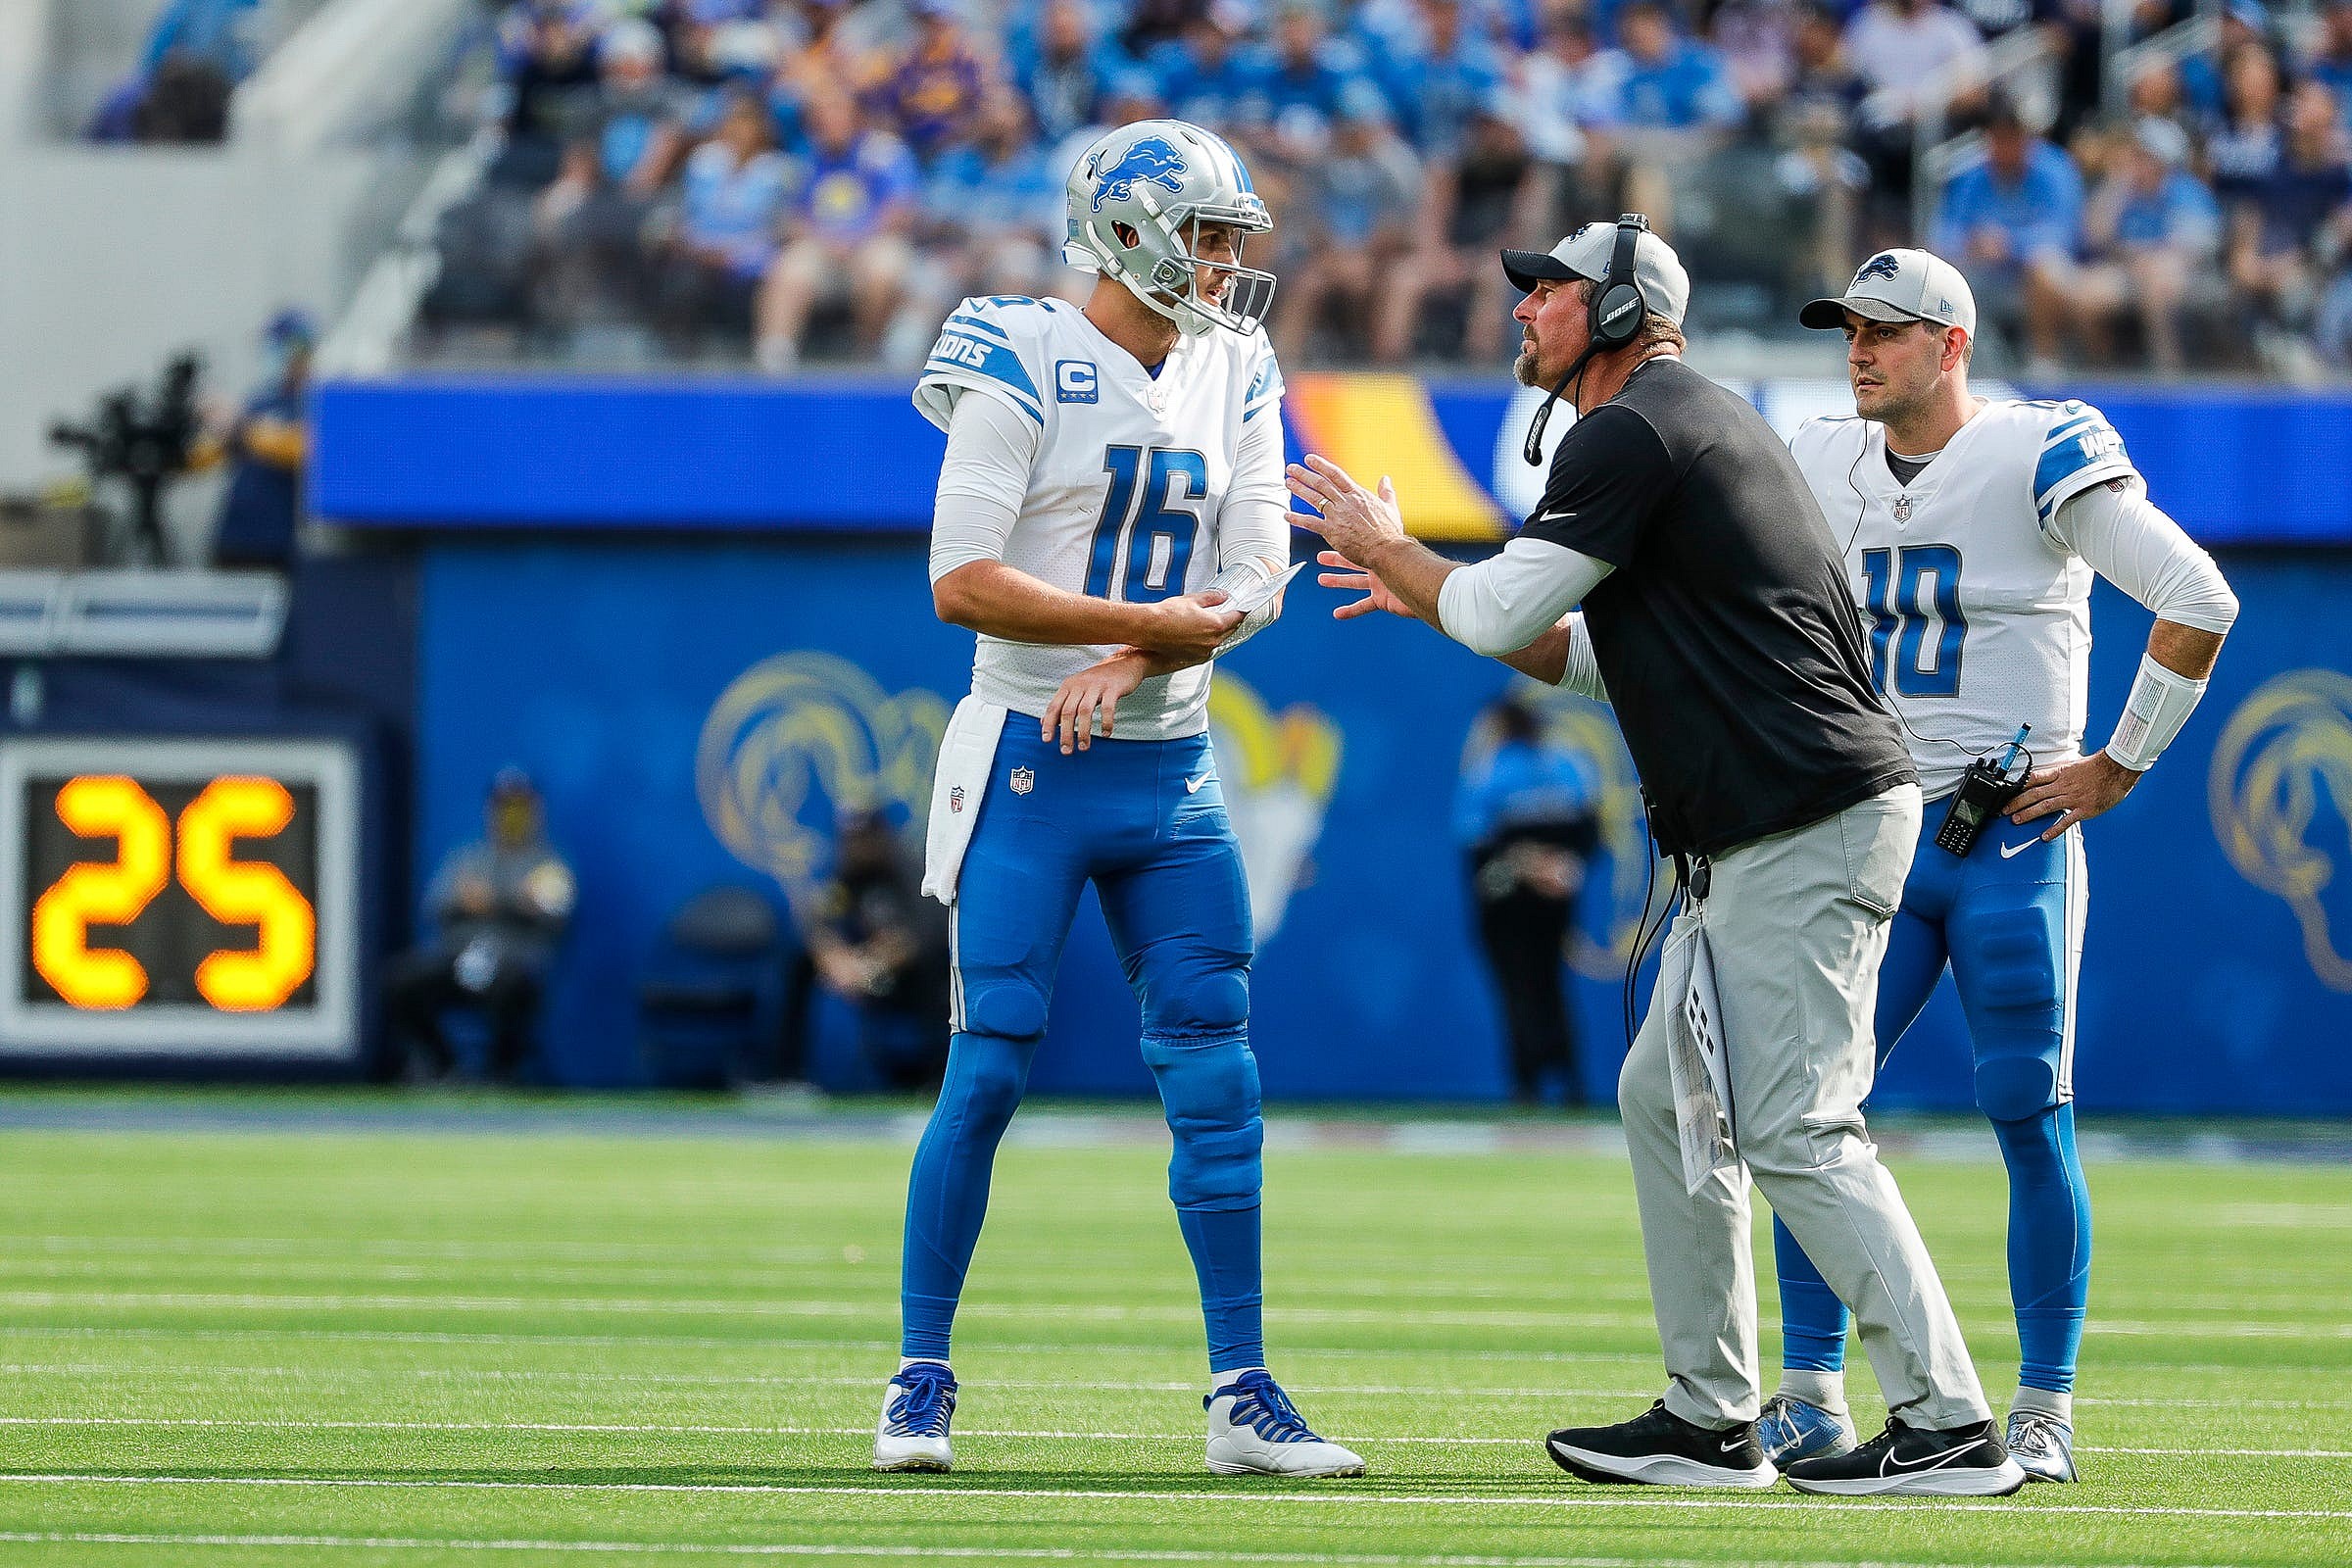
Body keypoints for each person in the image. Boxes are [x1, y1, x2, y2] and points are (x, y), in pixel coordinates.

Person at [1297, 216, 2025, 1495]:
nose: (1524, 311)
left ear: (1623, 311)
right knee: (1666, 1097)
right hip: (1776, 819)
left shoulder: (1633, 428)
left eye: (1552, 292)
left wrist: (1395, 555)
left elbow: (1497, 607)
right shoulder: (1678, 423)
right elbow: (1584, 657)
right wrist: (1425, 581)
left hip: (1801, 817)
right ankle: (1709, 1418)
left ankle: (1950, 1424)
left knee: (1798, 1125)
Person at [879, 119, 1363, 1481]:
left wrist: (1137, 650)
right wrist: (1129, 622)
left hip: (1170, 762)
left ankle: (1240, 1394)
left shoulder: (1240, 361)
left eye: (1229, 237)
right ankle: (920, 1377)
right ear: (1130, 229)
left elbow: (1262, 569)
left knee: (1219, 1076)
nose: (1227, 262)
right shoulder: (1022, 351)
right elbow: (961, 577)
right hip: (1032, 758)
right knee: (986, 1069)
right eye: (1209, 234)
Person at [1762, 248, 2239, 1483]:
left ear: (1951, 344)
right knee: (1810, 1112)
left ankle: (2042, 1404)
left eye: (1887, 330)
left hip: (2007, 838)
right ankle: (1807, 1389)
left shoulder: (2037, 451)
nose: (1860, 349)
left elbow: (2197, 595)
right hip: (1867, 828)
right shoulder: (1817, 453)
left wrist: (2118, 764)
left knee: (2030, 1109)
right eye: (1849, 328)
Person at [383, 769, 577, 1084]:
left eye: (519, 807)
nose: (511, 816)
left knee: (514, 987)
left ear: (535, 811)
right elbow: (437, 905)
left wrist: (502, 901)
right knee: (401, 979)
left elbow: (555, 909)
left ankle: (500, 1072)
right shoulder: (469, 858)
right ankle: (443, 1064)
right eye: (505, 807)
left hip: (514, 964)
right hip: (461, 959)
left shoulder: (549, 865)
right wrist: (471, 901)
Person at [1454, 696, 1598, 1106]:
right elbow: (1590, 832)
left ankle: (1527, 1085)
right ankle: (1571, 1083)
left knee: (1516, 987)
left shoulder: (1490, 771)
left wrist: (1527, 865)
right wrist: (1559, 868)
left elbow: (1474, 839)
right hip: (1557, 896)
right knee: (1552, 982)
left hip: (1506, 903)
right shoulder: (1569, 765)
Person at [784, 809, 953, 1091]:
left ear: (881, 837)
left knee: (939, 977)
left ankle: (935, 1077)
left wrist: (878, 961)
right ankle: (789, 1074)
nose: (855, 847)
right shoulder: (847, 875)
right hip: (863, 971)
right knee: (799, 965)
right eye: (850, 839)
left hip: (910, 978)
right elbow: (820, 924)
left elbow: (926, 937)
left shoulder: (910, 873)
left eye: (863, 839)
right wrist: (836, 958)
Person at [208, 310, 316, 570]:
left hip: (277, 541)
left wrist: (241, 427)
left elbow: (301, 448)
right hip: (235, 537)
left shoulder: (314, 401)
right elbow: (214, 452)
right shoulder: (261, 400)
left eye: (275, 347)